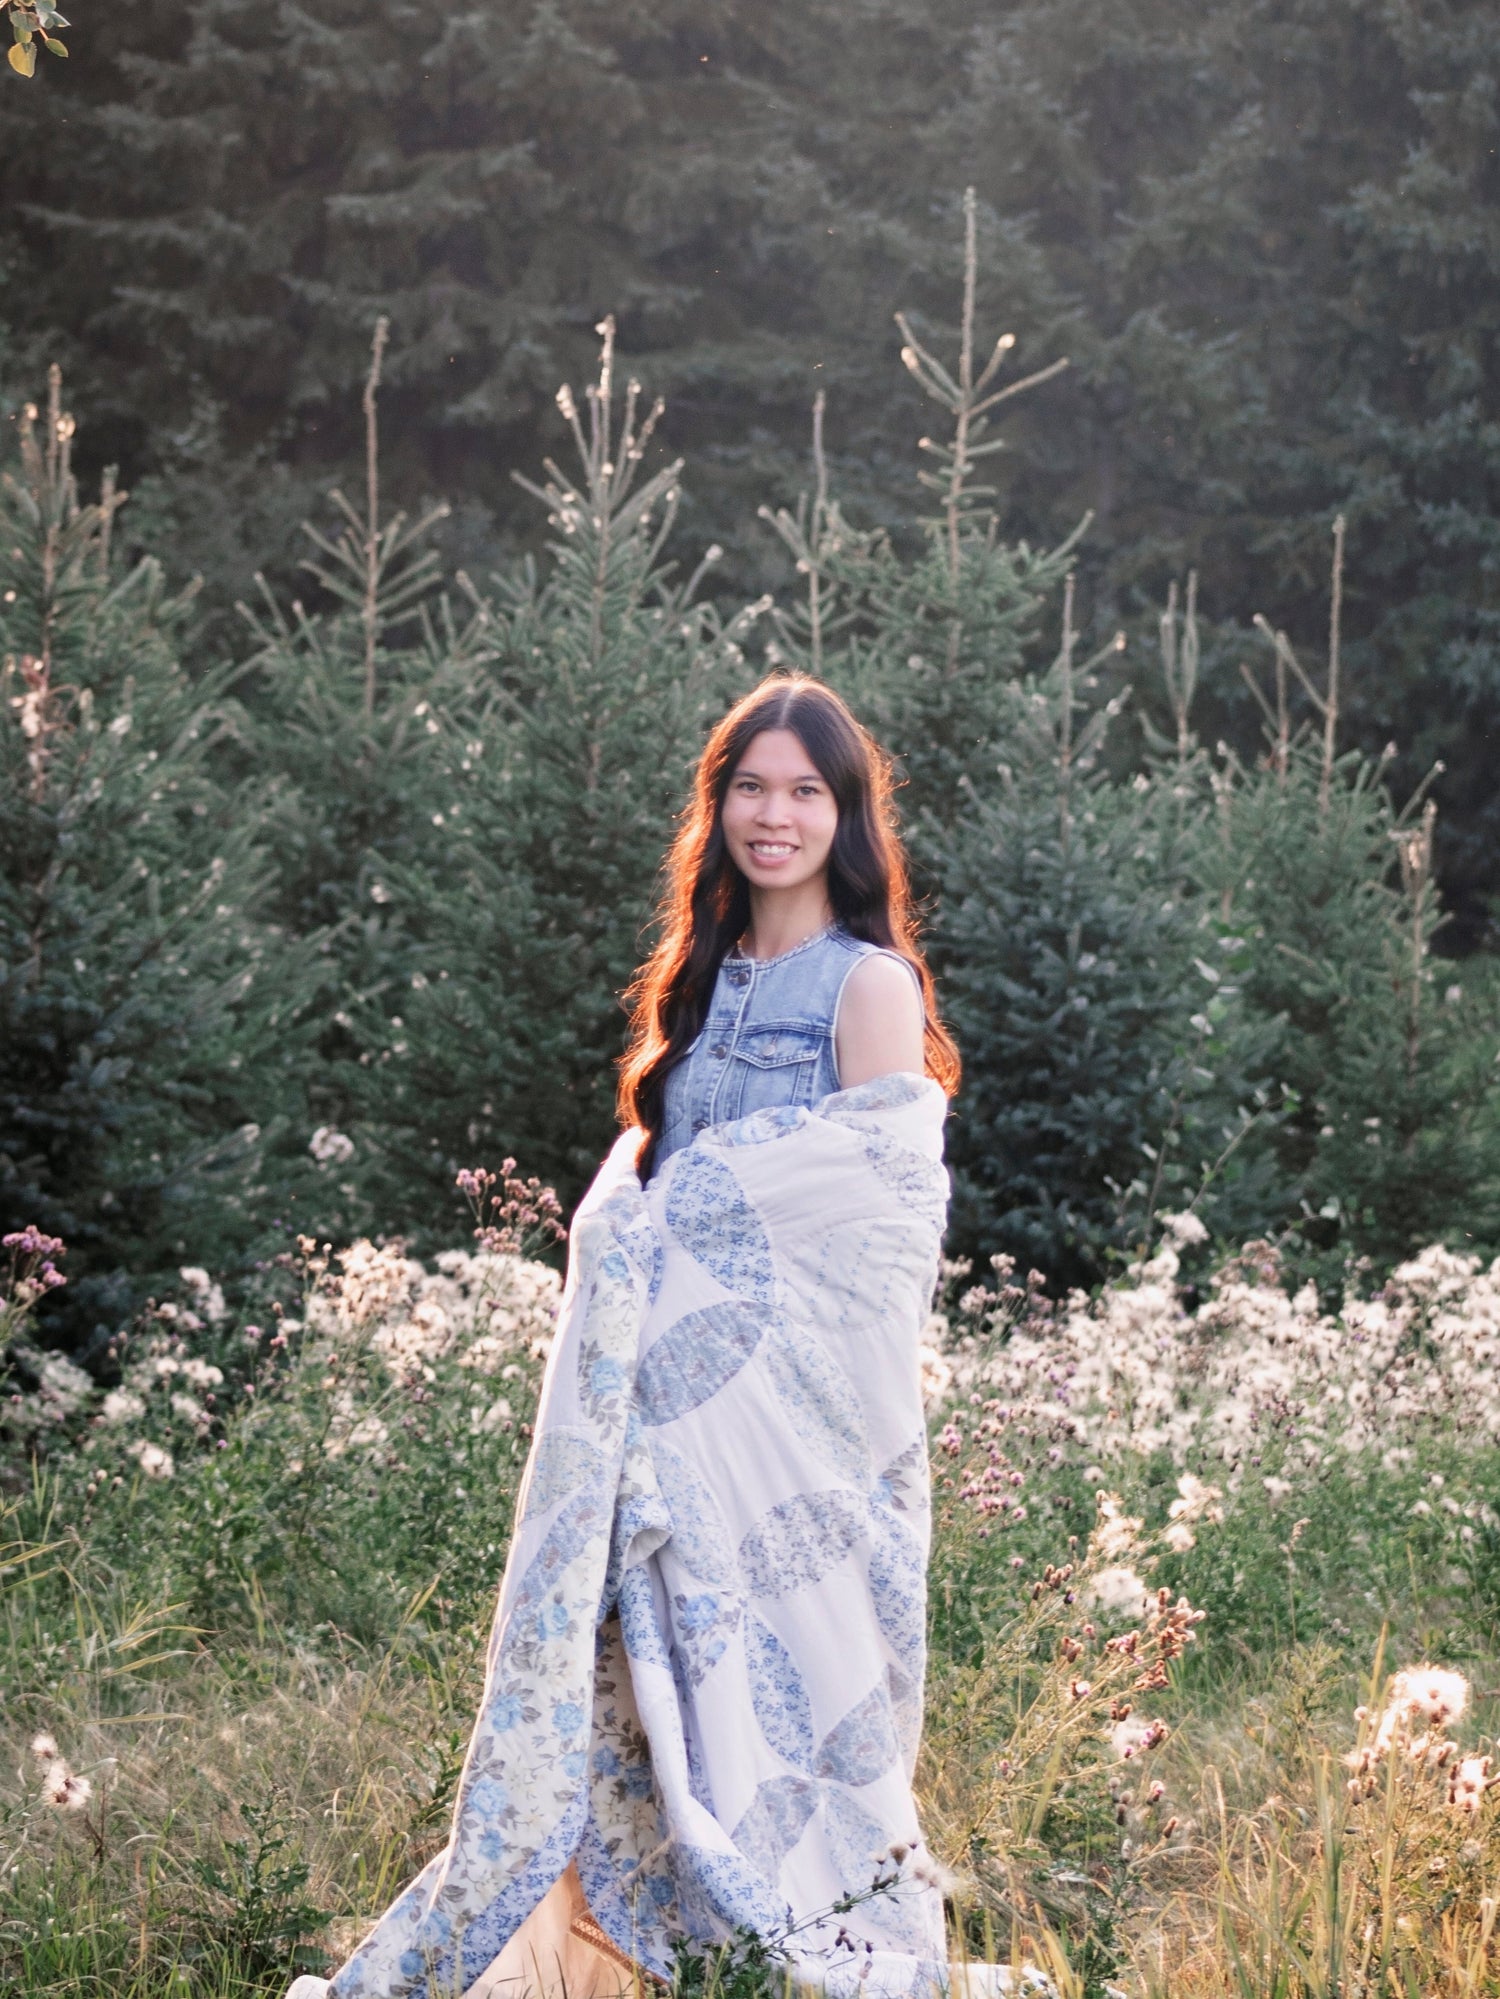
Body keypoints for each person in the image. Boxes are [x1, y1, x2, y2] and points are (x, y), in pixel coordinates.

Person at [291, 676, 962, 1999]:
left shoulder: (868, 986)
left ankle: (816, 1957)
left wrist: (694, 1209)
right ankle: (636, 1967)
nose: (775, 817)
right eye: (750, 789)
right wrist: (630, 1219)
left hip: (789, 1434)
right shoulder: (698, 987)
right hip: (663, 1423)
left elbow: (882, 1214)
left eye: (805, 792)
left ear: (847, 816)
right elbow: (645, 1189)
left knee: (788, 1704)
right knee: (648, 1702)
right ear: (719, 809)